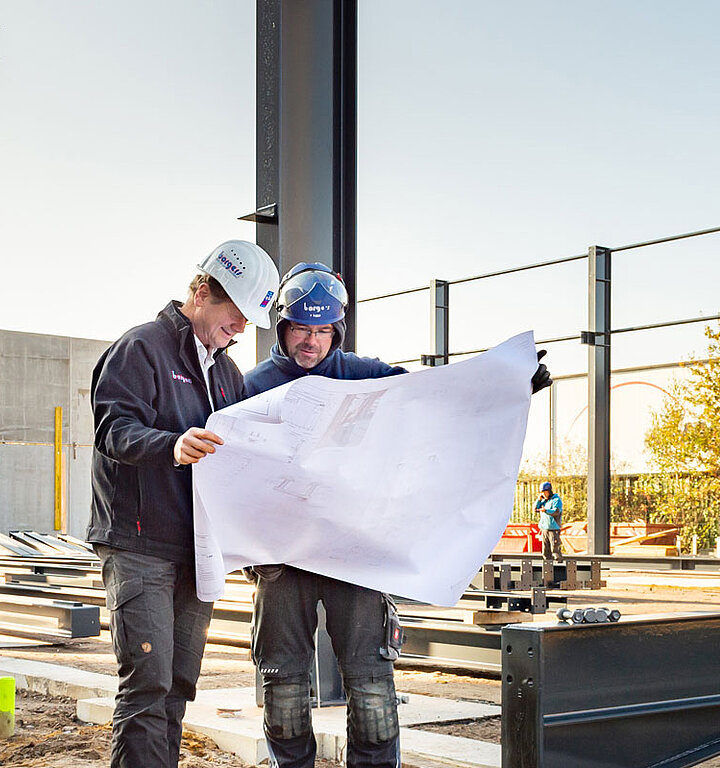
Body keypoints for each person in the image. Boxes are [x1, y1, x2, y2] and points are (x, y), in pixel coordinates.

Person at [240, 262, 550, 768]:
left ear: (337, 330)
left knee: (370, 684)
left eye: (322, 331)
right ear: (282, 326)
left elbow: (436, 401)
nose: (311, 342)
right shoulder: (252, 387)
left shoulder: (364, 376)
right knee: (283, 682)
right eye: (300, 328)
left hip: (355, 550)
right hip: (281, 557)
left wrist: (509, 386)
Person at [88, 240, 279, 768]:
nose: (240, 329)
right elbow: (113, 429)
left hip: (197, 550)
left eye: (246, 321)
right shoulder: (142, 349)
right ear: (201, 293)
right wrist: (170, 445)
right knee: (147, 682)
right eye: (234, 315)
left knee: (177, 684)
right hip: (140, 542)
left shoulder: (227, 374)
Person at [535, 482, 564, 561]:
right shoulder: (544, 501)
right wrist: (538, 500)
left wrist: (546, 510)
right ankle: (547, 566)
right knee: (545, 551)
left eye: (545, 492)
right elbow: (535, 509)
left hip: (553, 529)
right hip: (544, 529)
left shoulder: (556, 500)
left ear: (549, 491)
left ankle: (558, 565)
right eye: (542, 492)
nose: (543, 494)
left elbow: (556, 512)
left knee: (555, 550)